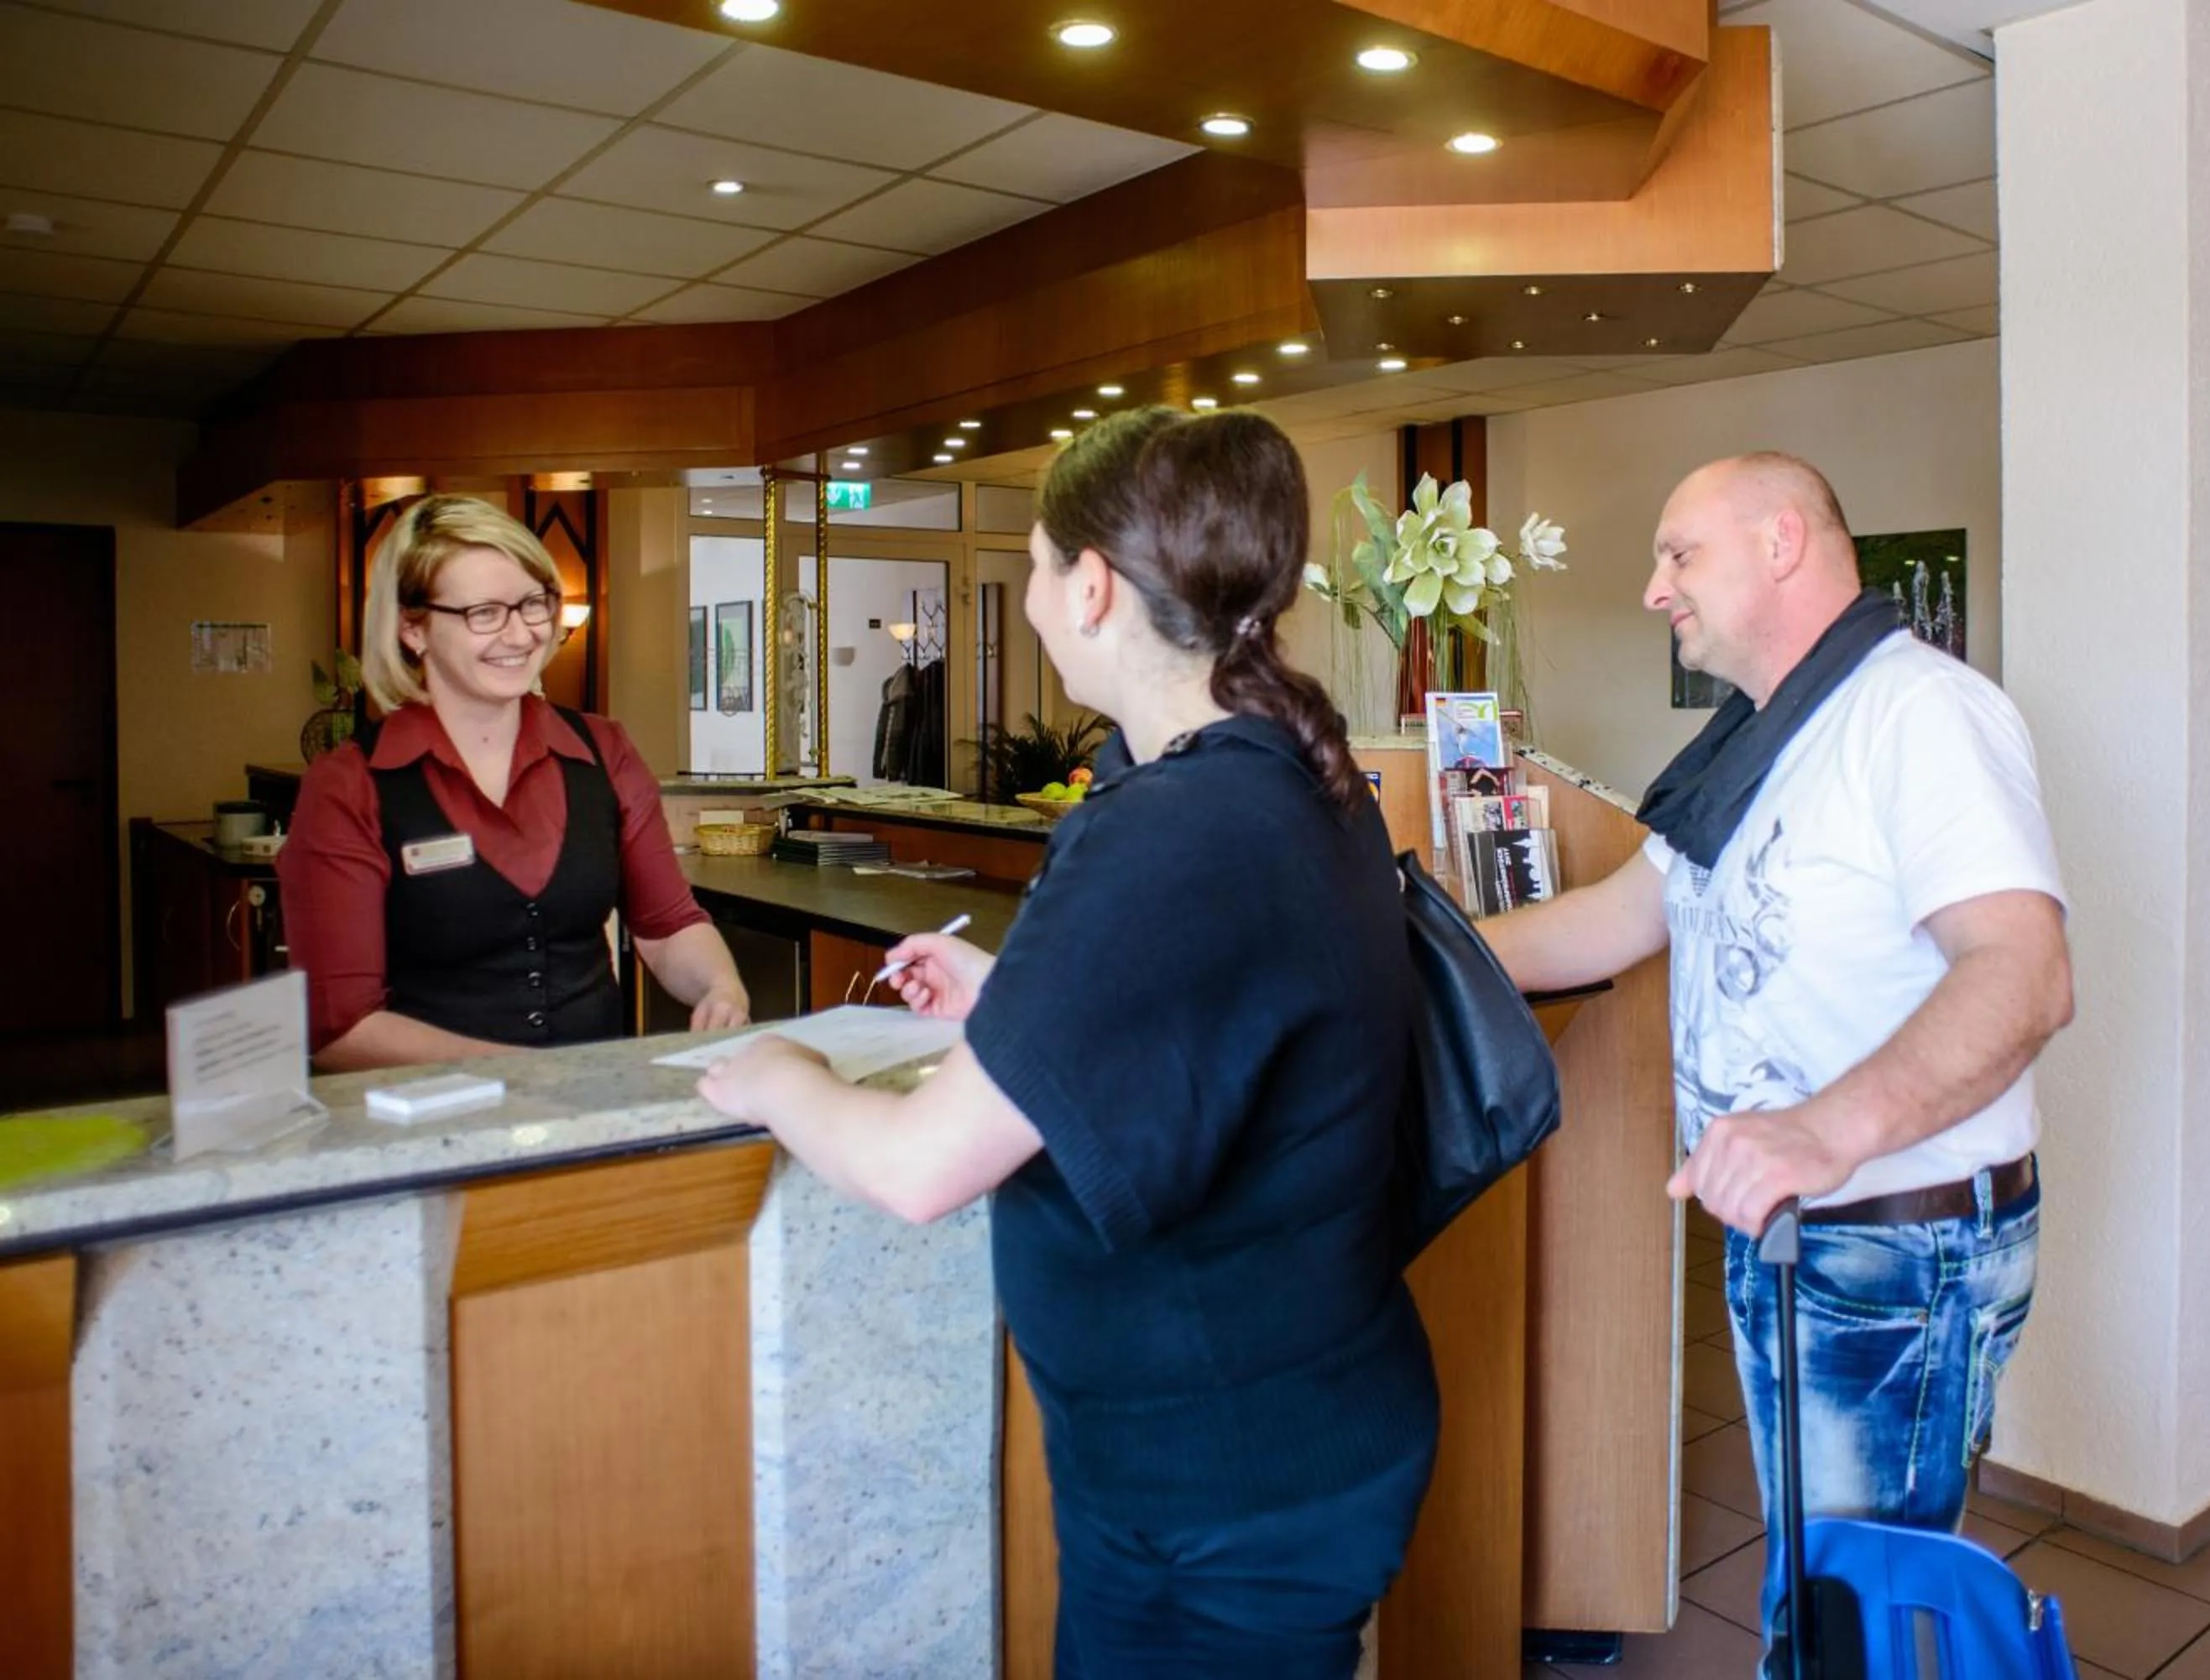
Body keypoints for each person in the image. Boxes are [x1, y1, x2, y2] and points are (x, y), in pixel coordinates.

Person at [695, 408, 1439, 1679]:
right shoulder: (1282, 775)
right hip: (1269, 1439)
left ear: (1090, 586)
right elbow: (1218, 1018)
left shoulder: (1176, 824)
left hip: (1224, 1485)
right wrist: (1019, 1001)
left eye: (1036, 568)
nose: (1032, 600)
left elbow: (921, 1165)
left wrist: (779, 1073)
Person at [1476, 452, 2072, 1661]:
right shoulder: (1764, 733)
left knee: (1851, 1632)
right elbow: (1620, 916)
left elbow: (2026, 972)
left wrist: (1820, 1130)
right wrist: (1419, 948)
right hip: (1799, 1233)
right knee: (1815, 1606)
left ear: (1784, 541)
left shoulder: (1922, 715)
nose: (1655, 590)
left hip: (1893, 1243)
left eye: (1678, 553)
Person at [280, 494, 749, 1072]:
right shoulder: (350, 786)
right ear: (413, 629)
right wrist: (531, 1076)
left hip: (597, 1108)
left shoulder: (603, 752)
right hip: (431, 1125)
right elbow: (340, 1027)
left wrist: (720, 987)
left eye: (533, 604)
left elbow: (668, 925)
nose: (521, 634)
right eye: (483, 613)